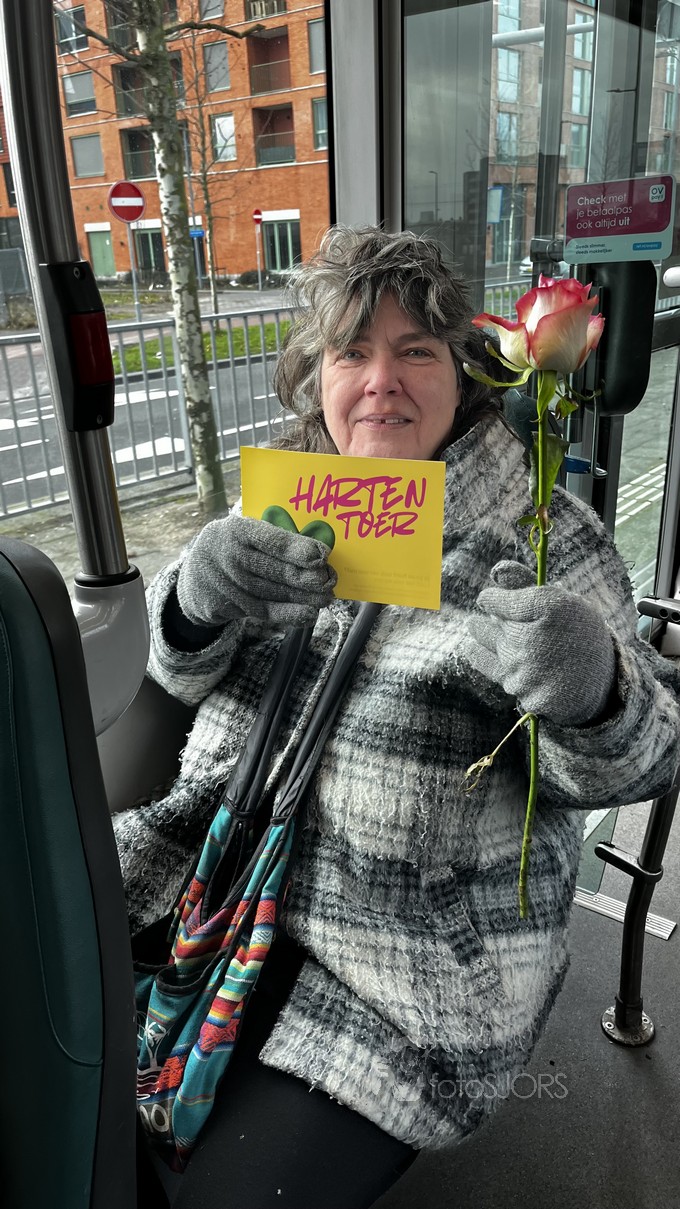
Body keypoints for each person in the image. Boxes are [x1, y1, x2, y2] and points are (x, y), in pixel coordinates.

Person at [115, 226, 680, 1209]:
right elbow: (179, 671)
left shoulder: (544, 532)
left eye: (414, 349)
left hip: (407, 960)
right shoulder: (283, 500)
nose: (380, 380)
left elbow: (647, 757)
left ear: (464, 376)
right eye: (351, 351)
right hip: (202, 877)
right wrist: (193, 601)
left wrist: (594, 687)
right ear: (318, 377)